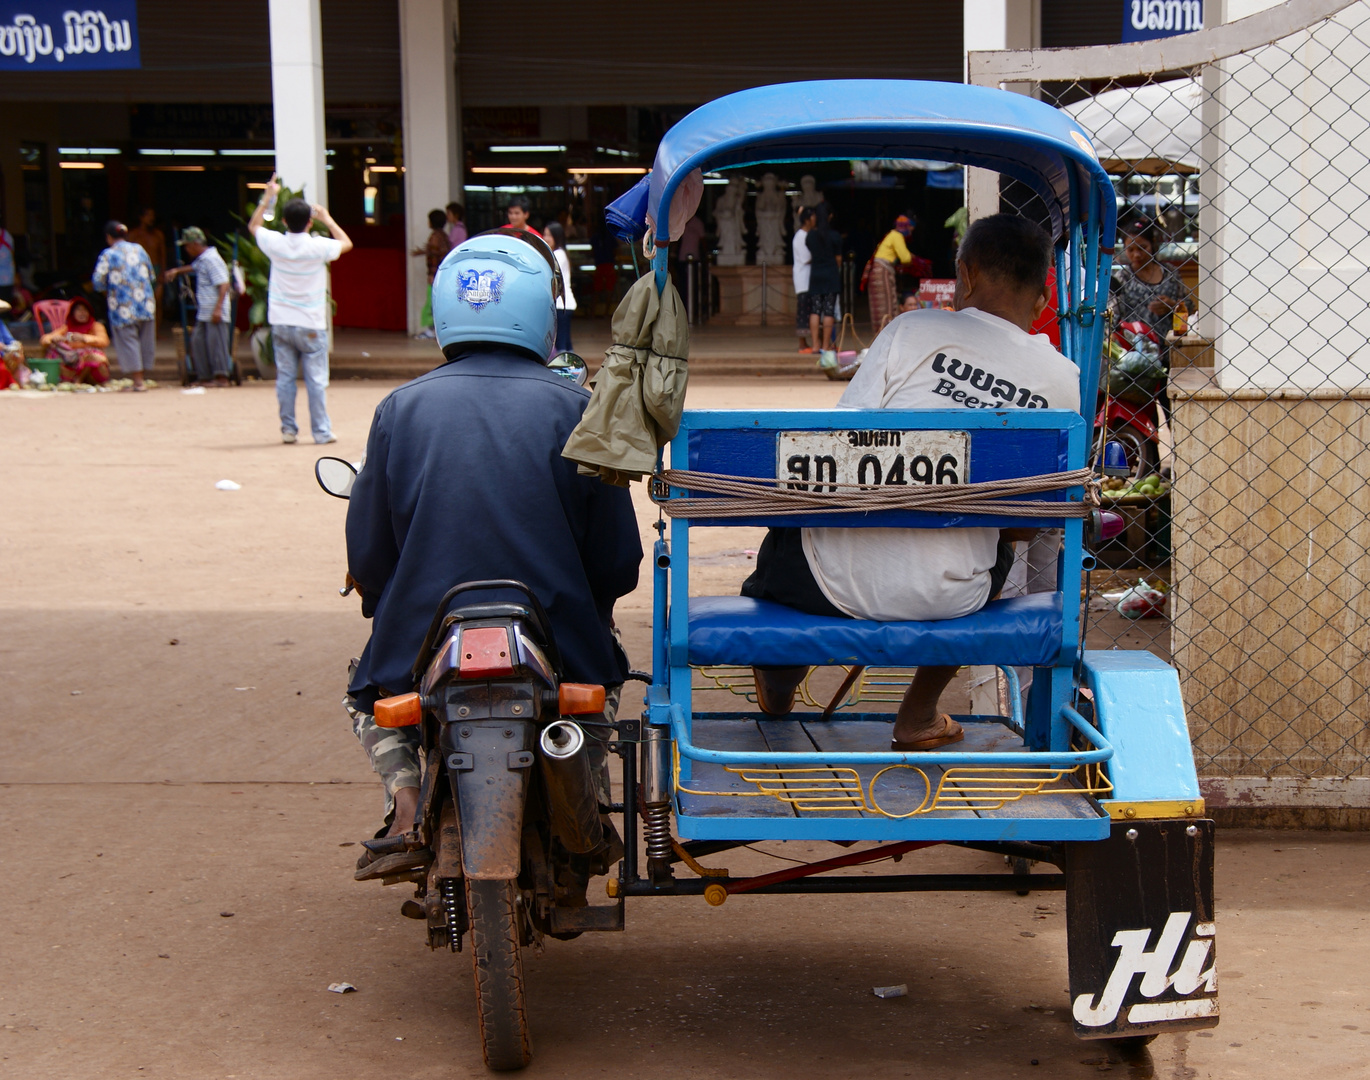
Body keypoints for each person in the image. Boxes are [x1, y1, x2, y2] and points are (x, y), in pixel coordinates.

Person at [343, 227, 642, 879]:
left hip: (424, 630)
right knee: (602, 686)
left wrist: (378, 602)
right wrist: (595, 604)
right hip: (555, 630)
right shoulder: (580, 408)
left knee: (368, 696)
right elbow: (619, 557)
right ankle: (581, 797)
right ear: (539, 313)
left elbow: (368, 550)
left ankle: (403, 802)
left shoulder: (400, 410)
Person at [742, 214, 1080, 751]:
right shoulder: (1063, 379)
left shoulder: (910, 331)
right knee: (997, 547)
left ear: (965, 276)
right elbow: (1025, 526)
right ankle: (919, 713)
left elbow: (833, 455)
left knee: (790, 521)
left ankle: (781, 676)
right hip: (953, 595)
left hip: (828, 584)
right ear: (1042, 296)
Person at [247, 177, 352, 444]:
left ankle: (289, 429)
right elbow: (346, 243)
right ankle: (321, 432)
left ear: (283, 221)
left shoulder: (275, 243)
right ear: (309, 222)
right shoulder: (318, 246)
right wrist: (327, 219)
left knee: (285, 379)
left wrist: (268, 196)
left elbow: (254, 225)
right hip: (311, 323)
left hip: (281, 322)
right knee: (316, 380)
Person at [92, 220, 157, 391]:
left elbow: (98, 282)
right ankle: (141, 377)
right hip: (145, 302)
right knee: (144, 340)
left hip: (122, 306)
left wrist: (108, 290)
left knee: (128, 341)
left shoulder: (108, 254)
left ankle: (138, 382)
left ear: (108, 237)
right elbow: (151, 275)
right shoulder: (140, 249)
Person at [163, 227, 232, 387]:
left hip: (214, 309)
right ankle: (205, 377)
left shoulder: (212, 259)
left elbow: (224, 283)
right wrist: (177, 271)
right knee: (198, 342)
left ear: (195, 244)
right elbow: (194, 267)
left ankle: (221, 378)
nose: (186, 250)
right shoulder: (203, 259)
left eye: (187, 246)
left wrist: (218, 308)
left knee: (216, 344)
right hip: (205, 311)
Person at [1111, 220, 1193, 349]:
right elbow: (1113, 316)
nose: (1136, 255)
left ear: (1153, 244)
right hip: (1136, 349)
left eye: (1142, 248)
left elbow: (1190, 308)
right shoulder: (1121, 278)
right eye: (1130, 249)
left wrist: (1172, 306)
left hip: (1170, 345)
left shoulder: (1170, 273)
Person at [41, 296, 110, 384]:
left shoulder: (96, 326)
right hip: (72, 364)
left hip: (92, 370)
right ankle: (69, 379)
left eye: (85, 310)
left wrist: (84, 338)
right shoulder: (66, 328)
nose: (82, 313)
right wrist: (54, 339)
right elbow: (45, 339)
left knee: (94, 356)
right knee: (52, 352)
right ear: (72, 313)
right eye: (78, 310)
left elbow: (104, 341)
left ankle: (79, 379)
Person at [869, 214, 918, 333]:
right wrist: (912, 258)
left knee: (885, 303)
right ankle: (887, 334)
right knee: (887, 305)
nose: (911, 231)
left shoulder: (891, 235)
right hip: (882, 272)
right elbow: (905, 258)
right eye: (910, 228)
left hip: (880, 271)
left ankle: (883, 334)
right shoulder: (897, 236)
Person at [805, 204, 842, 352]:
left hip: (815, 274)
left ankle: (815, 345)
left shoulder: (810, 236)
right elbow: (838, 259)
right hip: (830, 275)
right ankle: (826, 345)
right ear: (830, 216)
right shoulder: (835, 236)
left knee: (815, 310)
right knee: (828, 310)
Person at [411, 208, 451, 340]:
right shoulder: (444, 236)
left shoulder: (434, 237)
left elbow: (434, 256)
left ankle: (432, 330)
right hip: (443, 273)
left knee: (432, 302)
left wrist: (431, 274)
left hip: (436, 274)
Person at [125, 208, 168, 319]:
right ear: (141, 217)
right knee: (139, 302)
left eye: (153, 215)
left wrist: (162, 272)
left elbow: (163, 255)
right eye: (148, 215)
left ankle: (156, 333)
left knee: (157, 303)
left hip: (156, 269)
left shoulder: (158, 235)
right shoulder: (133, 235)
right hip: (138, 271)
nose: (151, 218)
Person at [544, 220, 577, 351]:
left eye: (549, 235)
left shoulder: (557, 255)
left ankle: (563, 369)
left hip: (561, 304)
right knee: (566, 342)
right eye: (544, 234)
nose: (545, 238)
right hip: (565, 304)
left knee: (561, 343)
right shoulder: (561, 253)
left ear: (556, 237)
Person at [792, 206, 816, 352]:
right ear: (807, 220)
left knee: (808, 310)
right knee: (803, 311)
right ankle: (802, 343)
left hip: (809, 278)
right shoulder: (800, 236)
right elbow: (806, 257)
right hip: (803, 279)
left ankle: (808, 342)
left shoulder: (808, 235)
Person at [0, 216, 15, 305]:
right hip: (8, 278)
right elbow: (12, 257)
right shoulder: (7, 235)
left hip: (6, 279)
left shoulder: (7, 236)